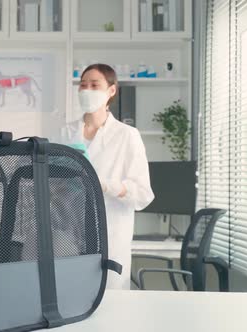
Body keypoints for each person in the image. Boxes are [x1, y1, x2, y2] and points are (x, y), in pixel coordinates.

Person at [55, 64, 154, 289]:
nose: (87, 90)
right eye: (83, 85)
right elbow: (53, 181)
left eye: (94, 85)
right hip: (68, 233)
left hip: (110, 234)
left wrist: (106, 185)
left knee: (110, 307)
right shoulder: (64, 133)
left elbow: (142, 194)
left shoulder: (127, 135)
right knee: (69, 299)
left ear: (111, 91)